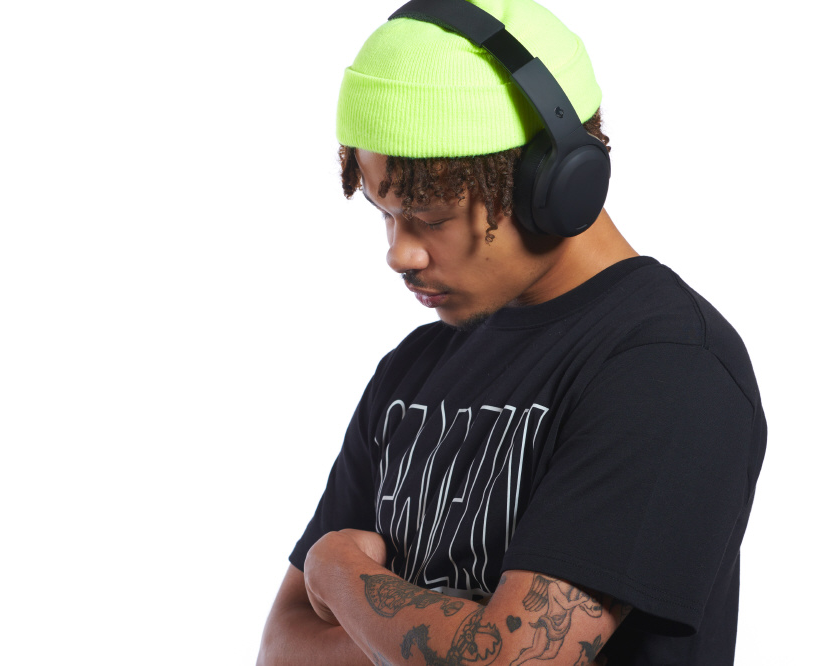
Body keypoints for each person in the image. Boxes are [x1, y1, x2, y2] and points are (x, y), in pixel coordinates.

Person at [257, 0, 766, 664]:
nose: (399, 254)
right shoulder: (413, 369)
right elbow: (281, 647)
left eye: (430, 216)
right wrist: (427, 639)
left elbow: (512, 660)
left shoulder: (669, 367)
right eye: (384, 213)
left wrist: (337, 571)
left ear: (554, 185)